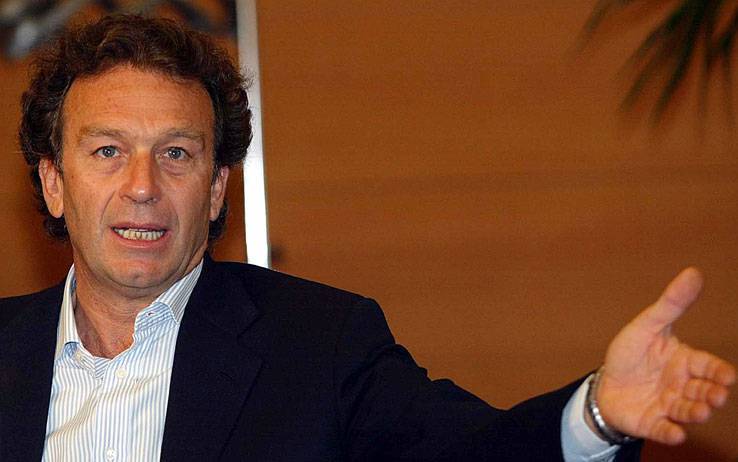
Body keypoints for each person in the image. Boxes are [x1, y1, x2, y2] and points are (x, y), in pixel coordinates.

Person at [0, 14, 733, 462]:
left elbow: (467, 453)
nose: (142, 185)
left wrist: (596, 414)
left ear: (217, 188)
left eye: (176, 154)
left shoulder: (319, 345)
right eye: (107, 151)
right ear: (54, 182)